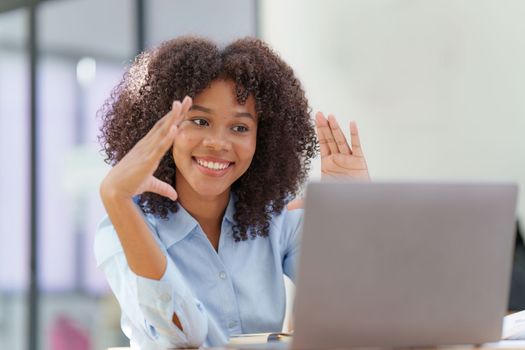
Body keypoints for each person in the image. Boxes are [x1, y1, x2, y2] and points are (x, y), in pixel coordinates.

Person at [95, 36, 369, 349]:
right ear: (160, 128)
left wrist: (351, 217)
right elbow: (184, 335)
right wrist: (116, 197)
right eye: (199, 121)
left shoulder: (278, 216)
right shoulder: (121, 227)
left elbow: (341, 309)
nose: (219, 143)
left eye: (239, 128)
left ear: (262, 139)